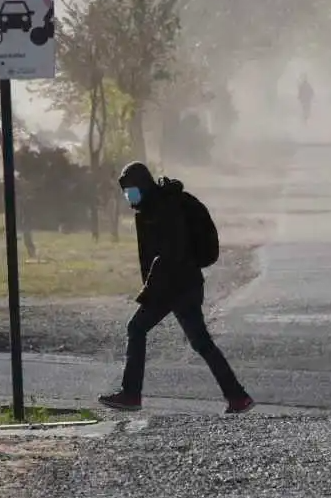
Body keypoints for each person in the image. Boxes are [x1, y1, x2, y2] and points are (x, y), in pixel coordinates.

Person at [97, 161, 255, 415]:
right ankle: (237, 397)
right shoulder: (157, 205)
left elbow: (168, 254)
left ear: (143, 186)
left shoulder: (162, 209)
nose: (130, 197)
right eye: (127, 192)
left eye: (132, 191)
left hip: (173, 286)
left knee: (136, 328)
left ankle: (131, 395)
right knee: (201, 342)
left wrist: (149, 290)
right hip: (183, 284)